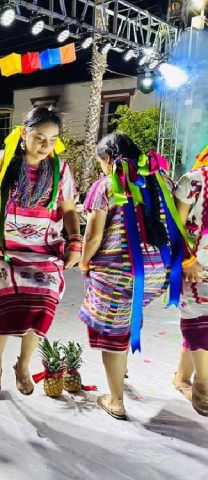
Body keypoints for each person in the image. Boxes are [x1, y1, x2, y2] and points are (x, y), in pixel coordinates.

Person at [78, 133, 187, 420]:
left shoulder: (105, 186)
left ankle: (114, 400)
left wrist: (84, 262)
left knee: (112, 335)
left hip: (119, 274)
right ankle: (121, 369)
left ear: (109, 160)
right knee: (126, 319)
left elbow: (93, 236)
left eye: (101, 162)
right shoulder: (160, 179)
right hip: (158, 272)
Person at [0, 106, 80, 397]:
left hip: (43, 248)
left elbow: (69, 210)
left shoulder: (60, 169)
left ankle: (23, 365)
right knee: (5, 304)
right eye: (39, 138)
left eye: (52, 139)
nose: (46, 145)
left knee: (43, 304)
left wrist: (75, 241)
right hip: (0, 246)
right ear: (24, 133)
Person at [172, 143, 208, 416]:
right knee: (200, 324)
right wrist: (187, 261)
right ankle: (203, 388)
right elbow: (175, 227)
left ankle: (181, 378)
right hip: (194, 268)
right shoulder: (193, 181)